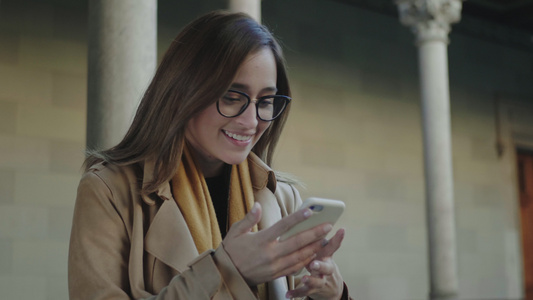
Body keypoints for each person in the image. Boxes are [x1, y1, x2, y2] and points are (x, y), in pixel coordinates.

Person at [69, 10, 352, 300]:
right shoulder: (108, 191)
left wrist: (333, 294)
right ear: (183, 91)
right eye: (232, 97)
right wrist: (226, 271)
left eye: (265, 101)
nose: (252, 122)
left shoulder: (282, 197)